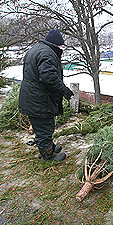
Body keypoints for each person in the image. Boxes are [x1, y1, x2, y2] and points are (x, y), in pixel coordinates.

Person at [19, 29, 74, 162]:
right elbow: (48, 77)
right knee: (45, 126)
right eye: (61, 46)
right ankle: (47, 155)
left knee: (41, 126)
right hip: (39, 99)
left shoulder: (36, 49)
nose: (62, 48)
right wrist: (64, 91)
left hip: (33, 97)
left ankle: (48, 147)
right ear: (56, 44)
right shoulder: (47, 53)